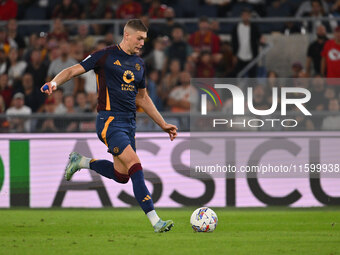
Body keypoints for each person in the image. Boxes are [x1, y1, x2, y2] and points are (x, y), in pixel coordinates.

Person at [40, 19, 177, 233]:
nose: (142, 43)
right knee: (135, 165)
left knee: (122, 176)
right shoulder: (105, 56)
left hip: (129, 123)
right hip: (109, 122)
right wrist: (54, 83)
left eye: (144, 39)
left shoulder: (140, 64)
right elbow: (73, 70)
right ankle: (156, 221)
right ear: (127, 35)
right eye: (139, 38)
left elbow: (142, 98)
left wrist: (163, 124)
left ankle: (82, 161)